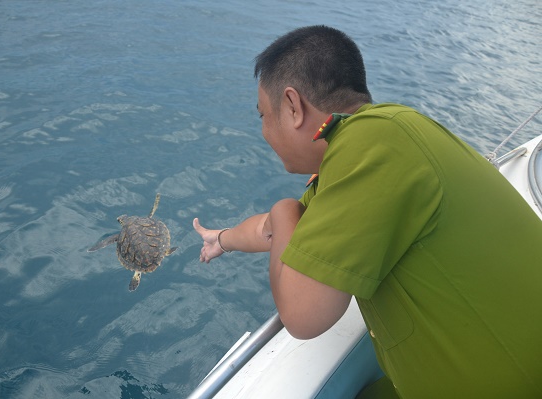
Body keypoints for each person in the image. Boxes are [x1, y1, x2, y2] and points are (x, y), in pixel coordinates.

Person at [193, 25, 542, 398]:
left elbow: (304, 314)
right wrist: (222, 240)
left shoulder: (371, 145)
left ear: (293, 107)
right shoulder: (377, 138)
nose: (263, 129)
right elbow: (271, 228)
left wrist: (283, 209)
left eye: (263, 115)